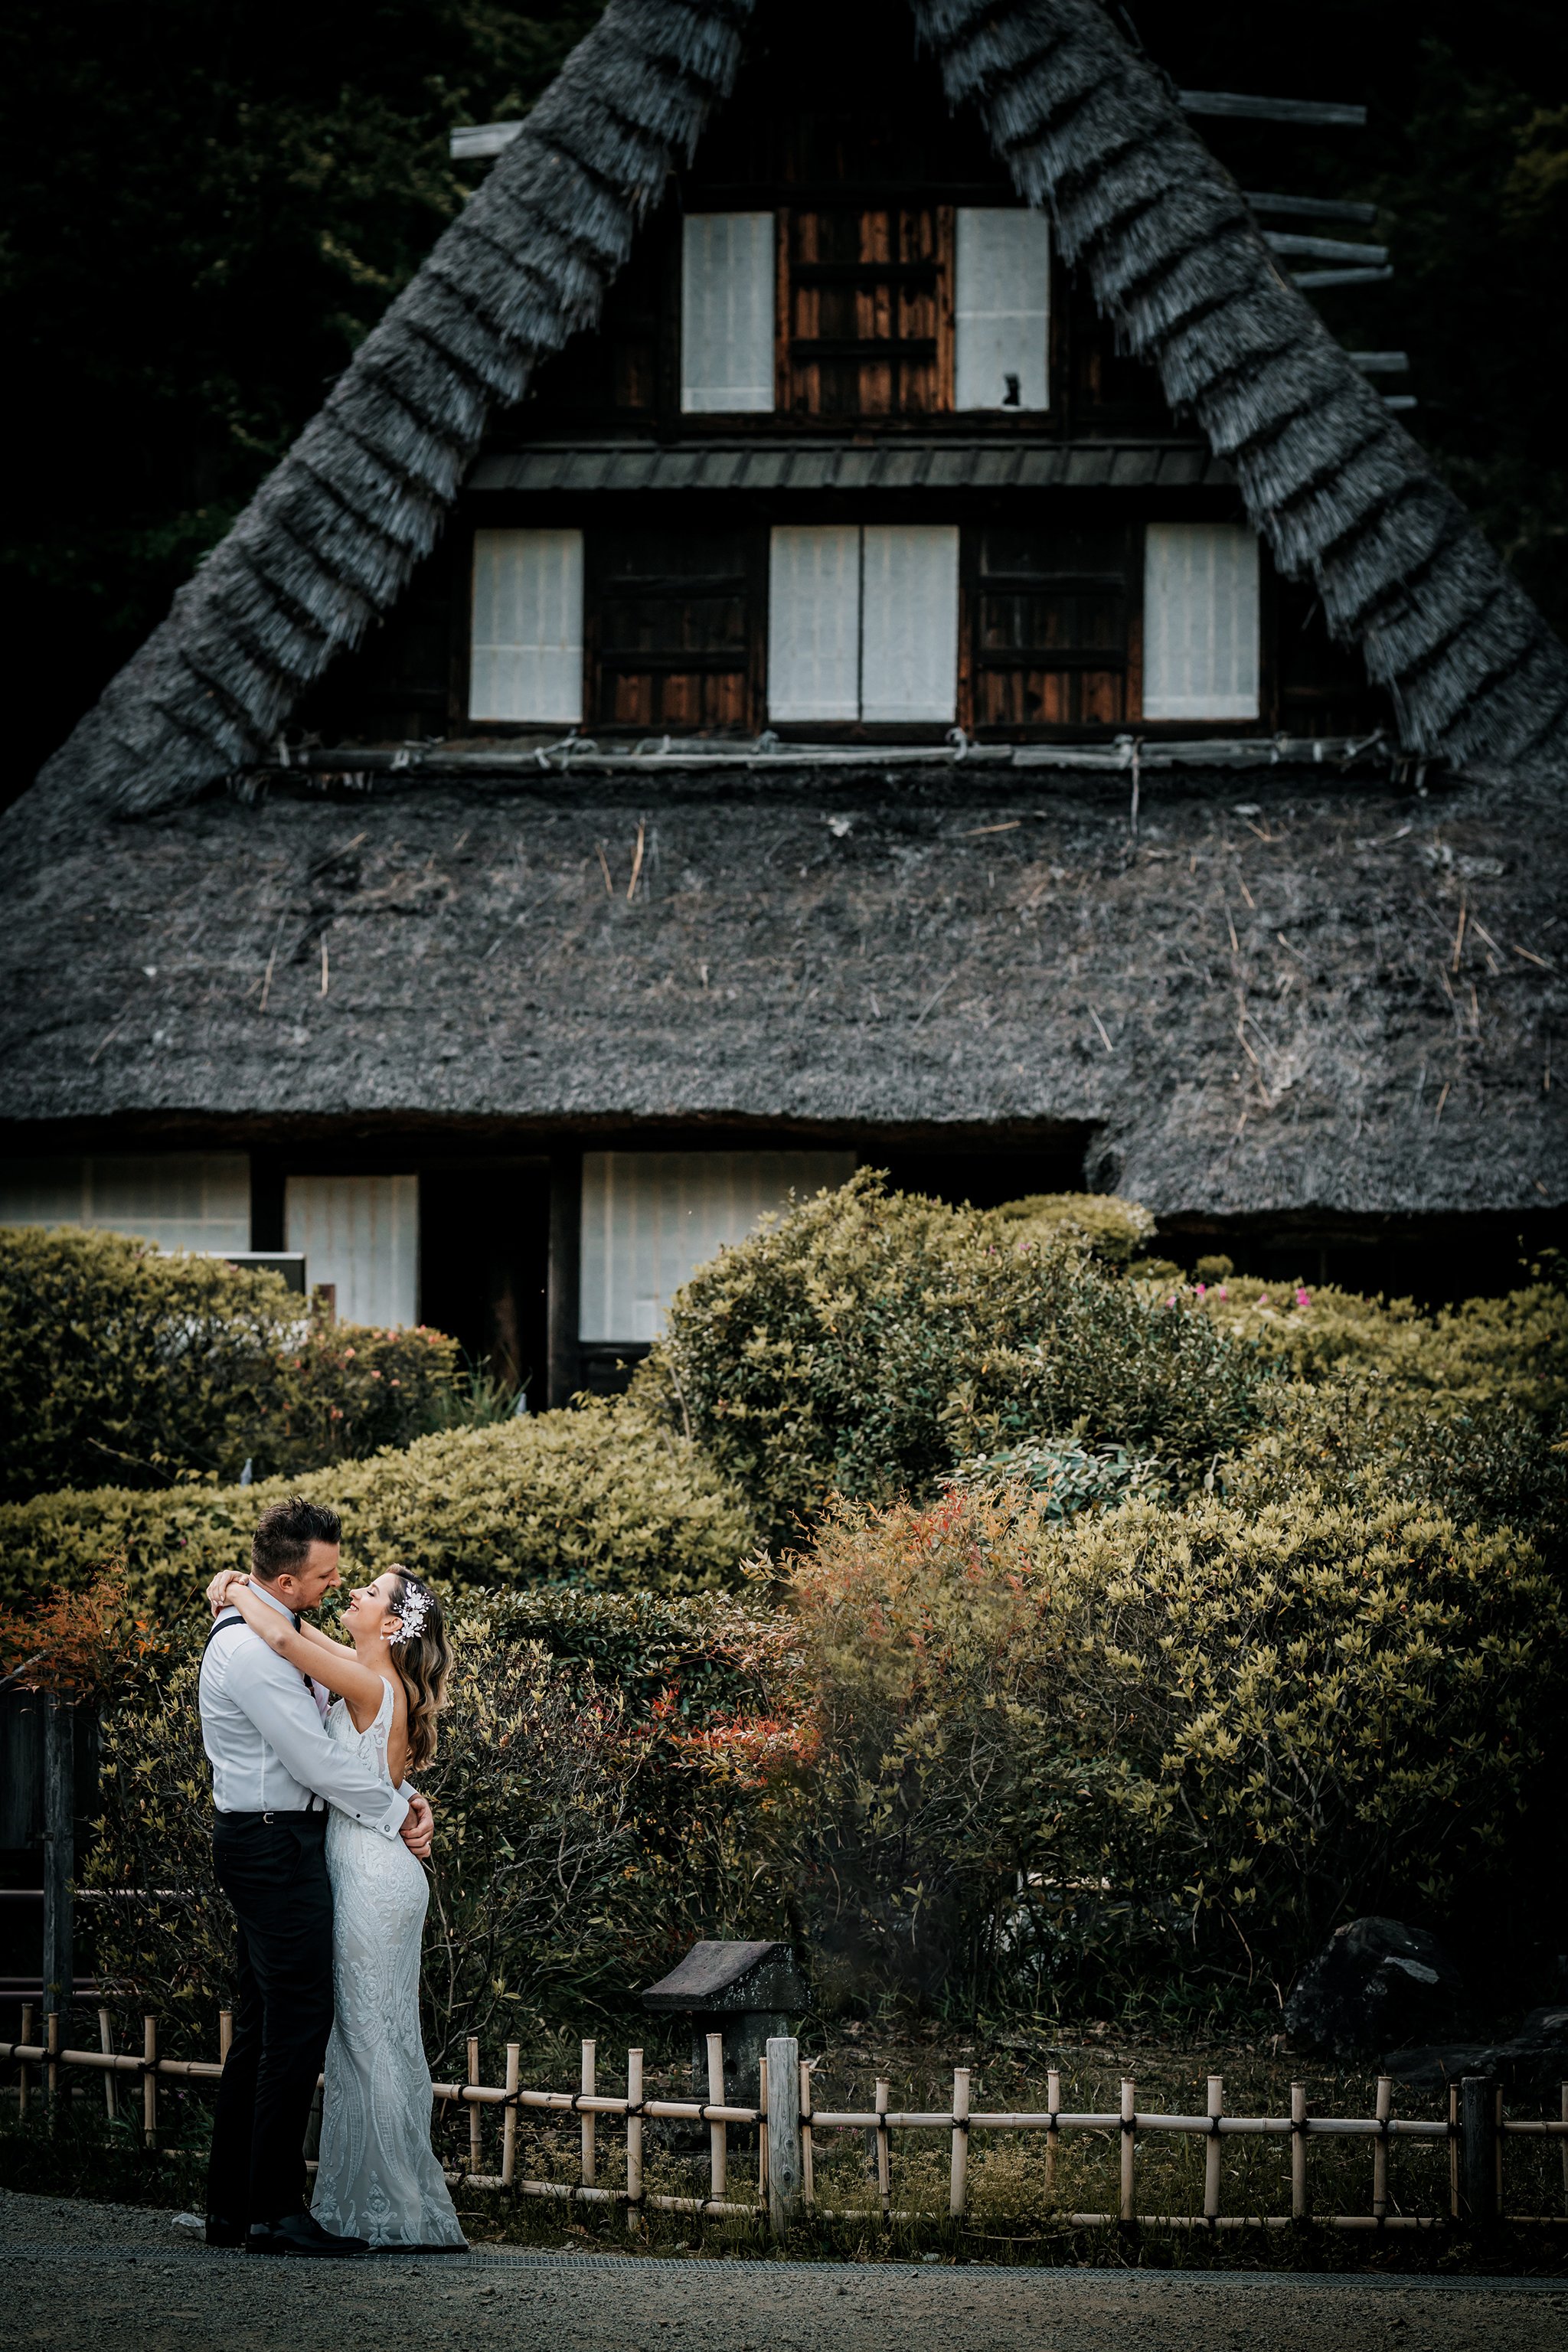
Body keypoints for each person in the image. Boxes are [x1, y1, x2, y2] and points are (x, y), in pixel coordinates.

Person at [208, 1546, 466, 2253]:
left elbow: (288, 1636)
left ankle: (390, 2205)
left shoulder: (367, 1686)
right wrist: (240, 1586)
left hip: (368, 1873)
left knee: (368, 2039)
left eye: (372, 1593)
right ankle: (374, 2198)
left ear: (392, 1628)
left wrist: (234, 1588)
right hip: (369, 1867)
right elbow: (300, 1630)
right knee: (370, 2036)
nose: (353, 1592)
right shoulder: (369, 1675)